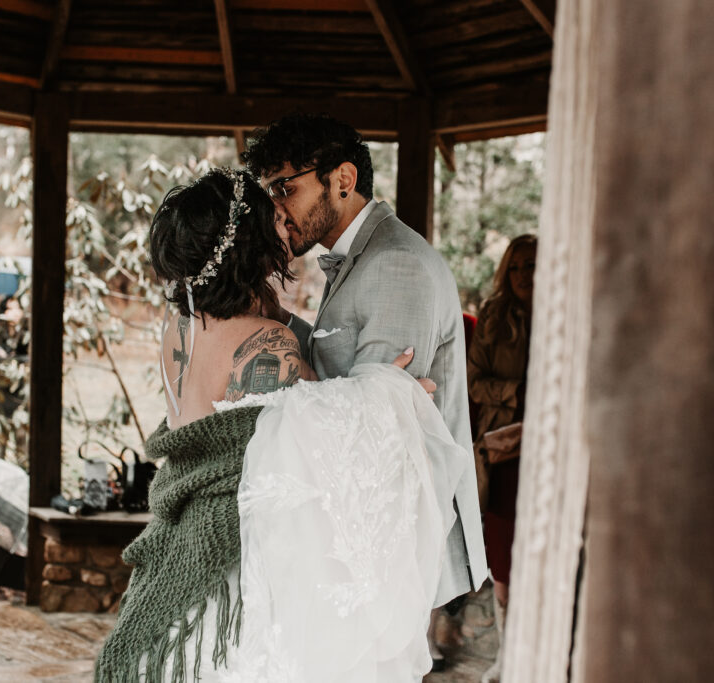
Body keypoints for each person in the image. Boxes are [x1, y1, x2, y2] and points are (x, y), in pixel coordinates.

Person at [95, 169, 467, 683]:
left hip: (181, 537)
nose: (283, 216)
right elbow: (309, 442)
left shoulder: (179, 322)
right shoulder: (268, 343)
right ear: (250, 239)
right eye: (271, 209)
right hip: (237, 560)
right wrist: (389, 395)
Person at [241, 113, 487, 669]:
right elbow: (346, 366)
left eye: (287, 187)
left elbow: (378, 431)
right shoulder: (364, 257)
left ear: (343, 179)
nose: (277, 208)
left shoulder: (396, 264)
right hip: (375, 539)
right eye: (270, 191)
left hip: (409, 554)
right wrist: (276, 322)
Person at [467, 233, 537, 683]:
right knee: (503, 557)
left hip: (547, 447)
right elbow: (473, 384)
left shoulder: (566, 313)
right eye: (514, 267)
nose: (522, 276)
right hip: (505, 449)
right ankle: (506, 656)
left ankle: (538, 650)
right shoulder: (493, 319)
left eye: (531, 266)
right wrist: (516, 393)